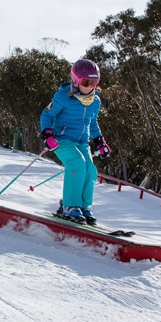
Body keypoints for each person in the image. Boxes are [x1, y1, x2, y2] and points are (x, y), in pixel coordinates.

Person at [39, 58, 111, 225]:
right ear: (76, 80)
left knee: (90, 170)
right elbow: (47, 115)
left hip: (82, 142)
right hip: (62, 140)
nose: (90, 87)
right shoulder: (62, 97)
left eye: (94, 82)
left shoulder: (95, 101)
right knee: (77, 164)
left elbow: (93, 123)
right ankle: (70, 206)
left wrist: (100, 142)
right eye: (86, 82)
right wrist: (48, 135)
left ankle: (84, 207)